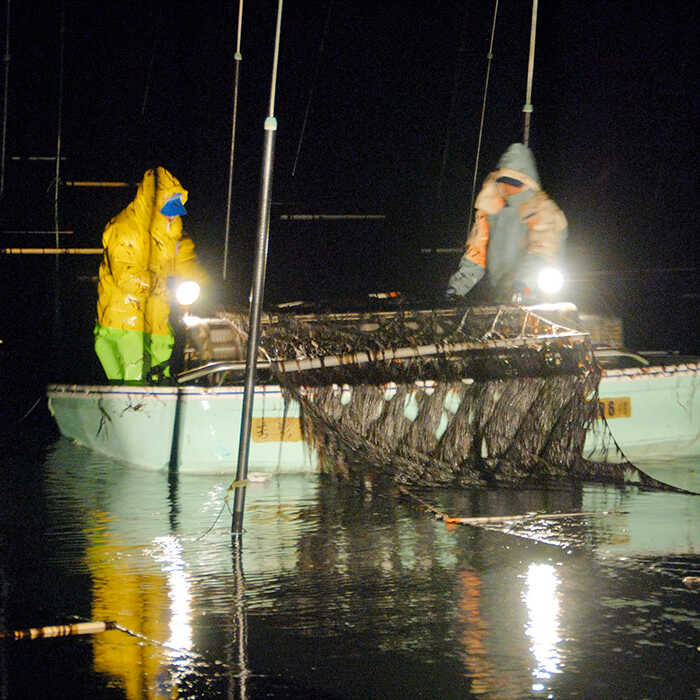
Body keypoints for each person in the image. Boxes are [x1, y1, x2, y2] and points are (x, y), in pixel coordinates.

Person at [94, 166, 208, 383]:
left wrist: (201, 283)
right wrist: (162, 285)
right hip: (123, 321)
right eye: (168, 209)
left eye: (176, 209)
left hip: (157, 319)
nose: (173, 215)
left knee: (159, 375)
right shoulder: (124, 229)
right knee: (133, 379)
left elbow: (183, 257)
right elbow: (126, 276)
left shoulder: (171, 229)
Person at [446, 143, 567, 303]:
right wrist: (455, 289)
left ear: (526, 182)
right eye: (505, 181)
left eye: (515, 182)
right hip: (498, 296)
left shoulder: (542, 211)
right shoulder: (489, 211)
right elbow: (476, 257)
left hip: (537, 297)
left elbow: (543, 251)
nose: (509, 187)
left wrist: (522, 285)